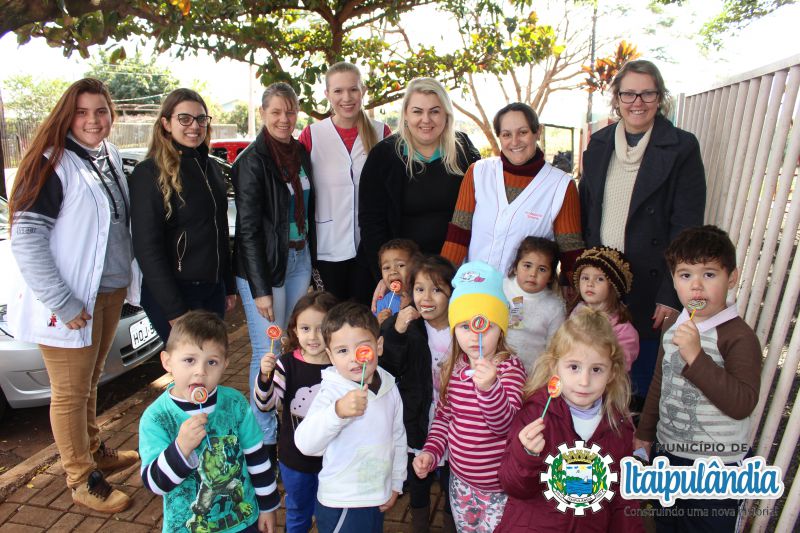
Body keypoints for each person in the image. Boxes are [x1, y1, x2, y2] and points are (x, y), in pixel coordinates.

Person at [7, 78, 139, 513]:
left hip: (109, 291)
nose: (93, 120)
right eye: (82, 112)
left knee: (89, 382)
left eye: (100, 111)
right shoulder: (51, 164)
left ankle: (94, 448)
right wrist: (63, 301)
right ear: (67, 116)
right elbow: (27, 238)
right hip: (73, 302)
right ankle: (81, 478)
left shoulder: (108, 154)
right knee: (68, 391)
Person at [579, 59, 706, 400]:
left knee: (637, 379)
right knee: (592, 367)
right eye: (629, 94)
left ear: (659, 97)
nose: (638, 102)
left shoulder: (681, 147)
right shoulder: (599, 142)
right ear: (617, 98)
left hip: (650, 281)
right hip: (603, 276)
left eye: (647, 94)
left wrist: (671, 291)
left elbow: (686, 226)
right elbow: (586, 209)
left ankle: (634, 431)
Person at [635, 225, 761, 532]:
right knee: (666, 523)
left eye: (709, 274)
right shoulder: (673, 326)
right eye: (685, 274)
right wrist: (645, 433)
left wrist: (696, 357)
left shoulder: (738, 337)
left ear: (732, 277)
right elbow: (660, 382)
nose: (696, 286)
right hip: (669, 456)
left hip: (718, 469)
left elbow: (742, 403)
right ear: (673, 279)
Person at [496, 308, 644, 532]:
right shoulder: (536, 414)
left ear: (612, 373)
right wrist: (526, 455)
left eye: (596, 369)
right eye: (574, 367)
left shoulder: (619, 428)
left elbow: (623, 501)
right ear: (555, 367)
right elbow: (513, 486)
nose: (584, 381)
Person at [139, 311, 280, 533]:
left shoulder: (234, 403)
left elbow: (257, 457)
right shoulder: (156, 417)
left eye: (212, 362)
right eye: (189, 360)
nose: (200, 372)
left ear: (225, 364)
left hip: (242, 523)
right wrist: (181, 448)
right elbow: (155, 484)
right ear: (167, 361)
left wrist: (268, 506)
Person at [233, 82, 315, 460]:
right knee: (266, 349)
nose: (284, 119)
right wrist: (260, 287)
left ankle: (289, 418)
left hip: (299, 260)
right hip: (266, 270)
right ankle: (264, 440)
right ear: (263, 113)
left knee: (291, 343)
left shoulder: (300, 152)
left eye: (290, 111)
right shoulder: (251, 161)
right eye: (276, 112)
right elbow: (248, 230)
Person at [413, 261, 526, 532]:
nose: (475, 336)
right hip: (461, 483)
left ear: (501, 328)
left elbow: (504, 425)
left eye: (484, 326)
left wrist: (489, 388)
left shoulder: (509, 370)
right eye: (464, 326)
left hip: (500, 488)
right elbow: (444, 419)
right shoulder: (452, 369)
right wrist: (431, 451)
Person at [359, 77, 481, 305]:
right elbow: (371, 222)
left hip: (453, 269)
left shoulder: (464, 150)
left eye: (434, 111)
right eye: (417, 111)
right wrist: (387, 275)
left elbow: (481, 210)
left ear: (446, 114)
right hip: (402, 275)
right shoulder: (384, 155)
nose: (426, 120)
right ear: (406, 114)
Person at [129, 88, 236, 342]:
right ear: (166, 123)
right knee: (190, 362)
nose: (194, 126)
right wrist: (174, 309)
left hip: (212, 289)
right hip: (176, 293)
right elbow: (147, 249)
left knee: (211, 359)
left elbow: (220, 231)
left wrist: (228, 285)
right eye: (184, 119)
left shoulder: (210, 167)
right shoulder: (149, 173)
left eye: (201, 119)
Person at [294, 302, 406, 533]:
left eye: (362, 347)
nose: (354, 358)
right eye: (342, 351)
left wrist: (396, 481)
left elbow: (397, 436)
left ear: (379, 346)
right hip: (343, 501)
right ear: (330, 355)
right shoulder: (331, 393)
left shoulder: (389, 387)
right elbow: (305, 444)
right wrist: (337, 412)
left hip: (377, 496)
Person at [441, 102, 583, 282]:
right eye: (506, 134)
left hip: (525, 296)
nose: (515, 142)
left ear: (537, 132)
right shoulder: (478, 172)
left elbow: (570, 250)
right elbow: (458, 235)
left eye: (523, 132)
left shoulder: (561, 185)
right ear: (499, 137)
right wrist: (441, 281)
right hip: (473, 290)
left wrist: (577, 290)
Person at [299, 62, 390, 303]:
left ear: (363, 91)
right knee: (332, 314)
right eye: (338, 91)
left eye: (353, 89)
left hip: (371, 247)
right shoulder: (312, 135)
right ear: (327, 94)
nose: (346, 98)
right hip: (328, 247)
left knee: (366, 313)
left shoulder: (382, 133)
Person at [380, 255, 457, 533]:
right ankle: (420, 523)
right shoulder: (407, 327)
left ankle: (451, 522)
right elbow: (388, 366)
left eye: (437, 290)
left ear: (452, 293)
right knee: (419, 474)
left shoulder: (461, 329)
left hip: (455, 418)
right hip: (418, 415)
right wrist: (397, 331)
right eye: (420, 289)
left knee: (452, 476)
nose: (426, 297)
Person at [253, 291, 338, 533]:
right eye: (305, 328)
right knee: (298, 512)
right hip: (295, 459)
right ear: (295, 330)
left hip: (333, 458)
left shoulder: (341, 365)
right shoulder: (286, 364)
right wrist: (265, 378)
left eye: (321, 329)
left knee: (330, 513)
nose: (313, 336)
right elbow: (265, 404)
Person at [569, 246, 639, 372]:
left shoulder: (624, 331)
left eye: (600, 279)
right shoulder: (575, 314)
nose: (590, 283)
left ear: (614, 287)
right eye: (585, 278)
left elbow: (619, 367)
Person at [503, 236, 566, 373]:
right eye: (527, 266)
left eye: (542, 269)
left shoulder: (555, 307)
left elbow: (553, 349)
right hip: (497, 370)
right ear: (515, 267)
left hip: (532, 374)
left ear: (551, 277)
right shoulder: (502, 289)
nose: (533, 274)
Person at [374, 238, 419, 324]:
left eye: (401, 265)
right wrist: (379, 324)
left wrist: (412, 306)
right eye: (387, 267)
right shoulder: (382, 302)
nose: (393, 271)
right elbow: (372, 330)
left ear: (415, 268)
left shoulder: (421, 297)